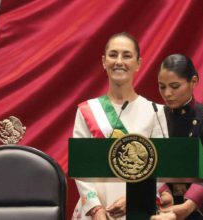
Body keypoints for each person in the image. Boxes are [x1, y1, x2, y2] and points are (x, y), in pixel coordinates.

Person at [72, 32, 167, 220]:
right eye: (113, 55)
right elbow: (81, 168)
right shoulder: (87, 110)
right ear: (103, 61)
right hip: (95, 212)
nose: (119, 61)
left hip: (138, 210)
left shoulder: (155, 111)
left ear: (138, 63)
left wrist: (134, 198)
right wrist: (95, 208)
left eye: (127, 55)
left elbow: (162, 168)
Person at [155, 54, 203, 220]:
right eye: (162, 87)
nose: (167, 93)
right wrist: (163, 193)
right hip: (166, 209)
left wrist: (189, 205)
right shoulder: (156, 117)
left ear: (194, 82)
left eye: (175, 86)